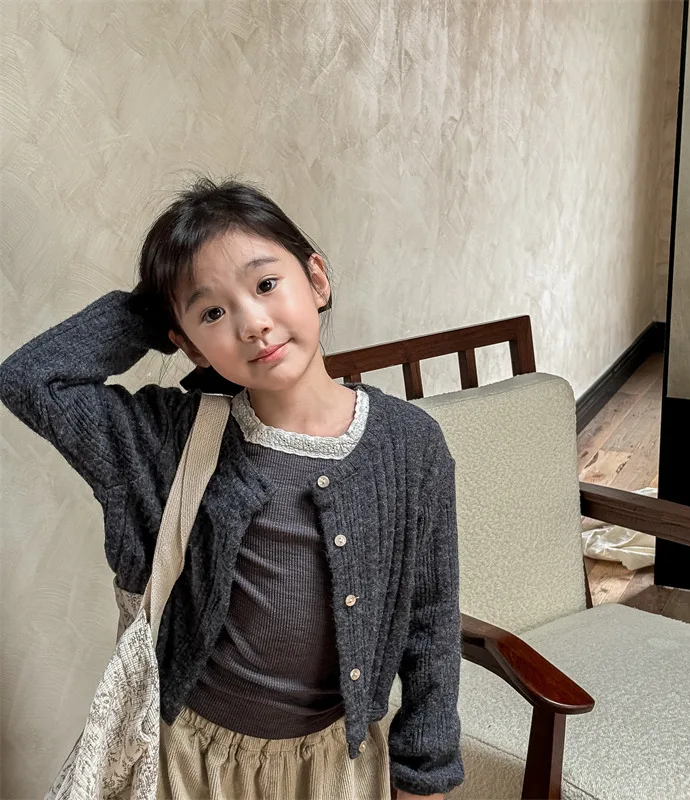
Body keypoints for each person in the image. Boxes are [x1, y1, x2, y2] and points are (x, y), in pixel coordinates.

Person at [0, 177, 464, 800]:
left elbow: (432, 619)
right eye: (212, 313)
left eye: (266, 284)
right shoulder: (168, 441)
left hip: (337, 764)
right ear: (188, 345)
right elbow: (30, 381)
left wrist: (425, 773)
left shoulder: (410, 445)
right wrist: (154, 308)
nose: (253, 324)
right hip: (194, 762)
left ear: (317, 280)